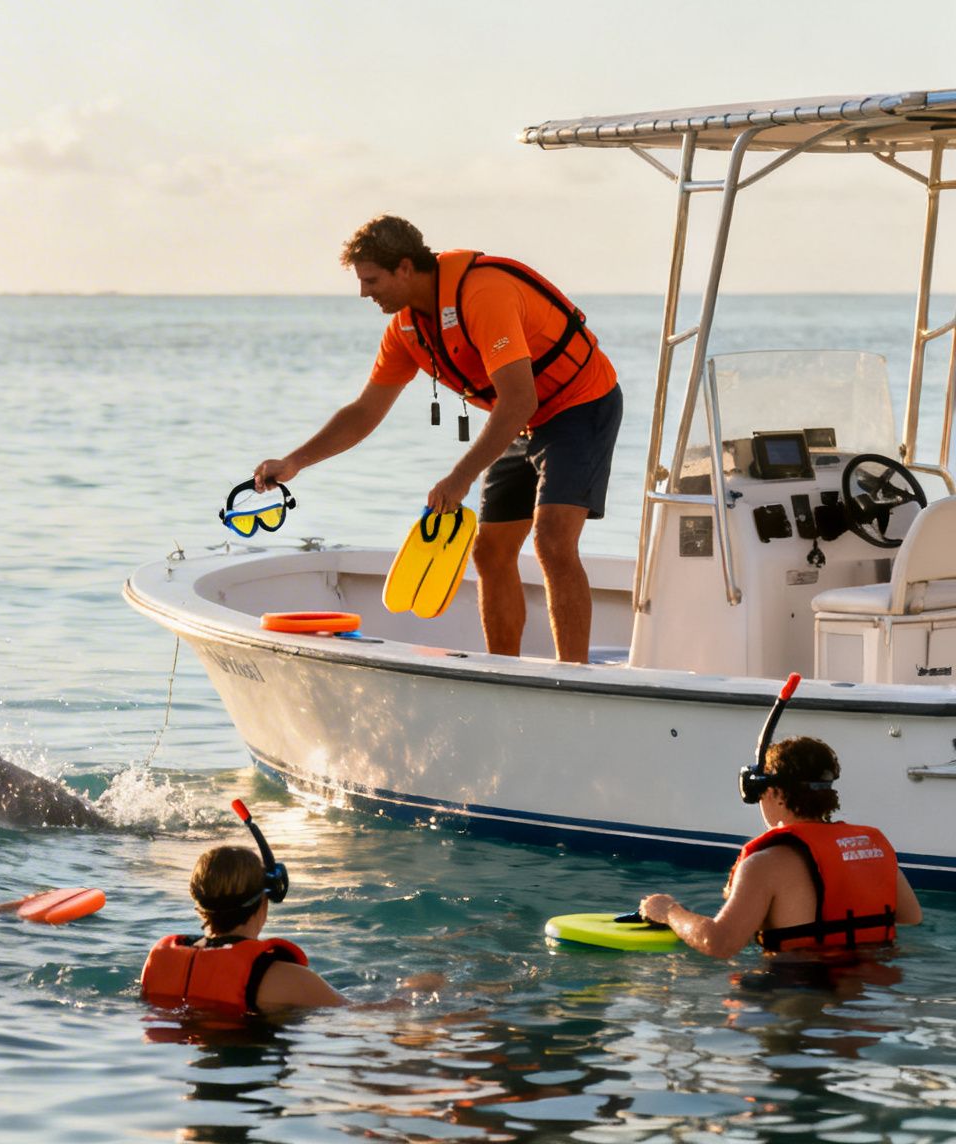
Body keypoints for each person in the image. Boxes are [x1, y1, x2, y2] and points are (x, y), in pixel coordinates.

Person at [251, 215, 621, 663]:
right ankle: (503, 671)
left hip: (579, 404)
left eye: (371, 280)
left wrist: (460, 477)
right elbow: (364, 412)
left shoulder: (484, 295)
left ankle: (574, 677)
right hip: (524, 421)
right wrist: (295, 463)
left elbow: (518, 398)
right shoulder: (407, 330)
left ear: (405, 268)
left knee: (553, 540)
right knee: (490, 552)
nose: (364, 292)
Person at [638, 736, 922, 958]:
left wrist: (669, 912)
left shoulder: (766, 864)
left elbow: (719, 943)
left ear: (775, 793)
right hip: (872, 1004)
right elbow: (911, 919)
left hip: (796, 998)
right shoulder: (873, 848)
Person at [141, 803, 347, 1013]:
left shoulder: (159, 961)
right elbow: (360, 1016)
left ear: (199, 902)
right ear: (263, 903)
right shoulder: (283, 978)